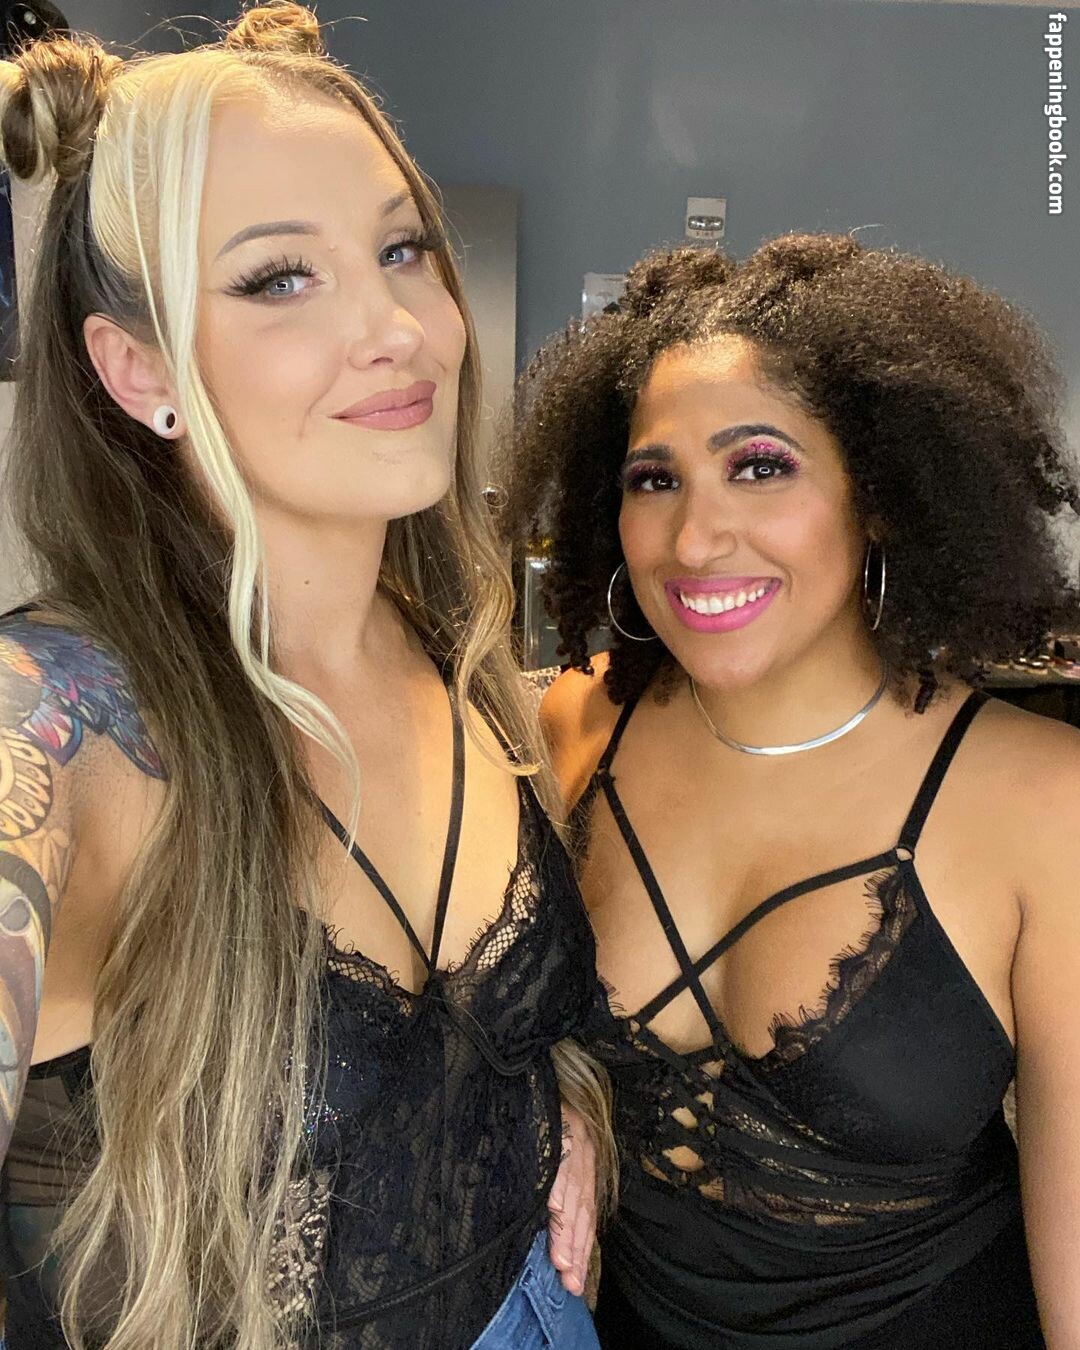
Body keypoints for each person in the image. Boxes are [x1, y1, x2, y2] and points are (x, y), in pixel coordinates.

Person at [0, 6, 611, 1347]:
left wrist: (547, 1110)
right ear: (140, 368)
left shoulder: (459, 649)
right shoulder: (58, 721)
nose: (398, 327)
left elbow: (471, 1040)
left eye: (402, 250)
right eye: (280, 278)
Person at [502, 235, 1080, 1348]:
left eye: (760, 467)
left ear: (883, 499)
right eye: (654, 479)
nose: (695, 537)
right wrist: (562, 1101)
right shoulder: (579, 723)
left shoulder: (1045, 805)